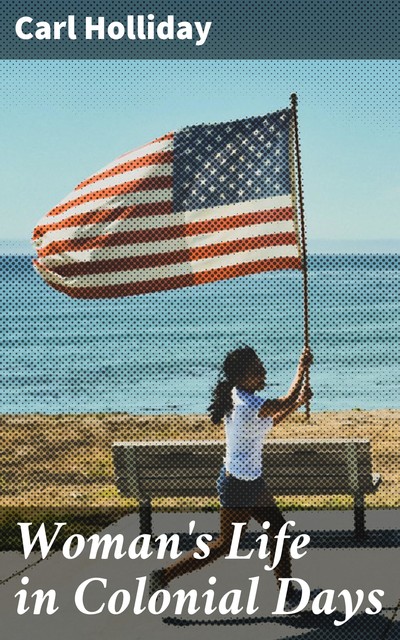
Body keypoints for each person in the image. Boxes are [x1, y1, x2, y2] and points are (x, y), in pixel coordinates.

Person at [149, 345, 313, 602]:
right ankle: (164, 575)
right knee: (225, 544)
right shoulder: (247, 404)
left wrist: (299, 401)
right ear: (239, 378)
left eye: (260, 366)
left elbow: (274, 419)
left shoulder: (241, 397)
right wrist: (301, 369)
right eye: (256, 370)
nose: (263, 372)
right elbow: (284, 401)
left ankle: (286, 591)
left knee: (279, 531)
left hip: (251, 481)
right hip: (238, 485)